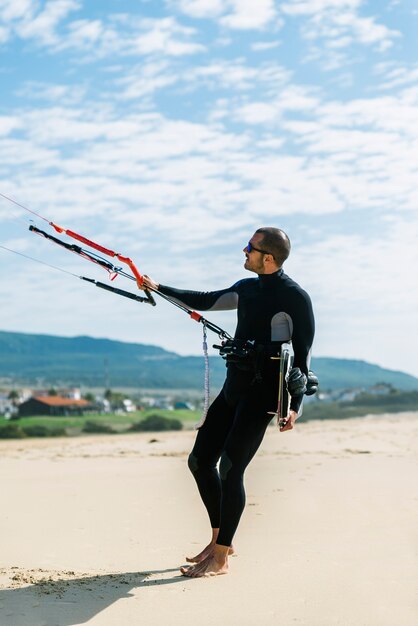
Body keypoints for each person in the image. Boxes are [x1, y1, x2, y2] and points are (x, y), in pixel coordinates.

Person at [141, 227, 315, 578]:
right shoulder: (247, 288)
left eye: (250, 248)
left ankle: (220, 559)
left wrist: (295, 405)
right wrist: (158, 288)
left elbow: (302, 363)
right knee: (200, 461)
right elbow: (205, 299)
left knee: (231, 469)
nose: (244, 251)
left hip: (263, 396)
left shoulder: (295, 297)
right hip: (233, 388)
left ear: (268, 257)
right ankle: (221, 539)